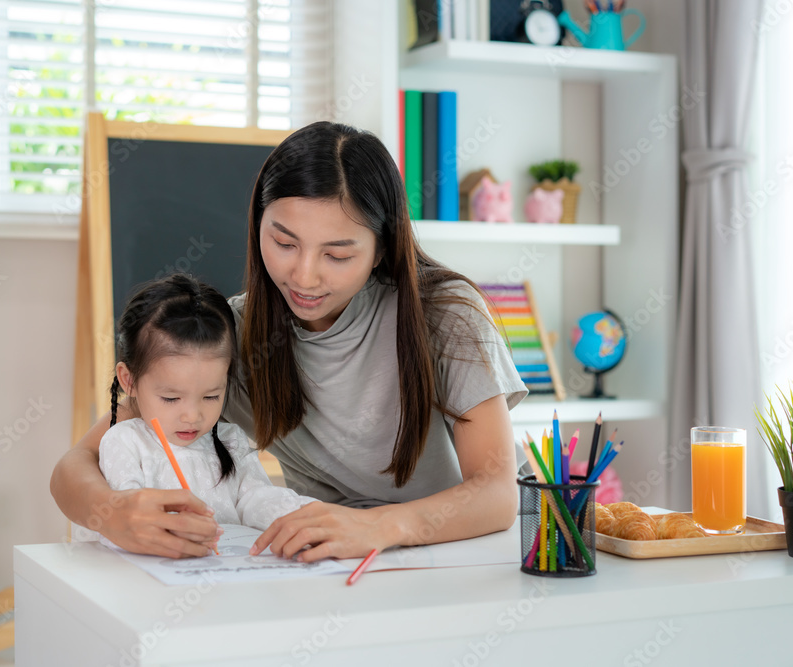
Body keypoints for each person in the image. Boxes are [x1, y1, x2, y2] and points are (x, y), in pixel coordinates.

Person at [51, 121, 527, 561]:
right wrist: (112, 513)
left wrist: (376, 526)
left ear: (381, 247)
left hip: (459, 555)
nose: (303, 276)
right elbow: (76, 463)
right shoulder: (233, 335)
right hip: (330, 561)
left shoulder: (444, 313)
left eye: (337, 255)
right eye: (283, 243)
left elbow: (497, 493)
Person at [97, 274, 316, 553]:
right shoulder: (124, 442)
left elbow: (255, 497)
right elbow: (129, 506)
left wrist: (299, 513)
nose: (192, 416)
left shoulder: (231, 440)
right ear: (129, 381)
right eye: (171, 398)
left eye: (211, 396)